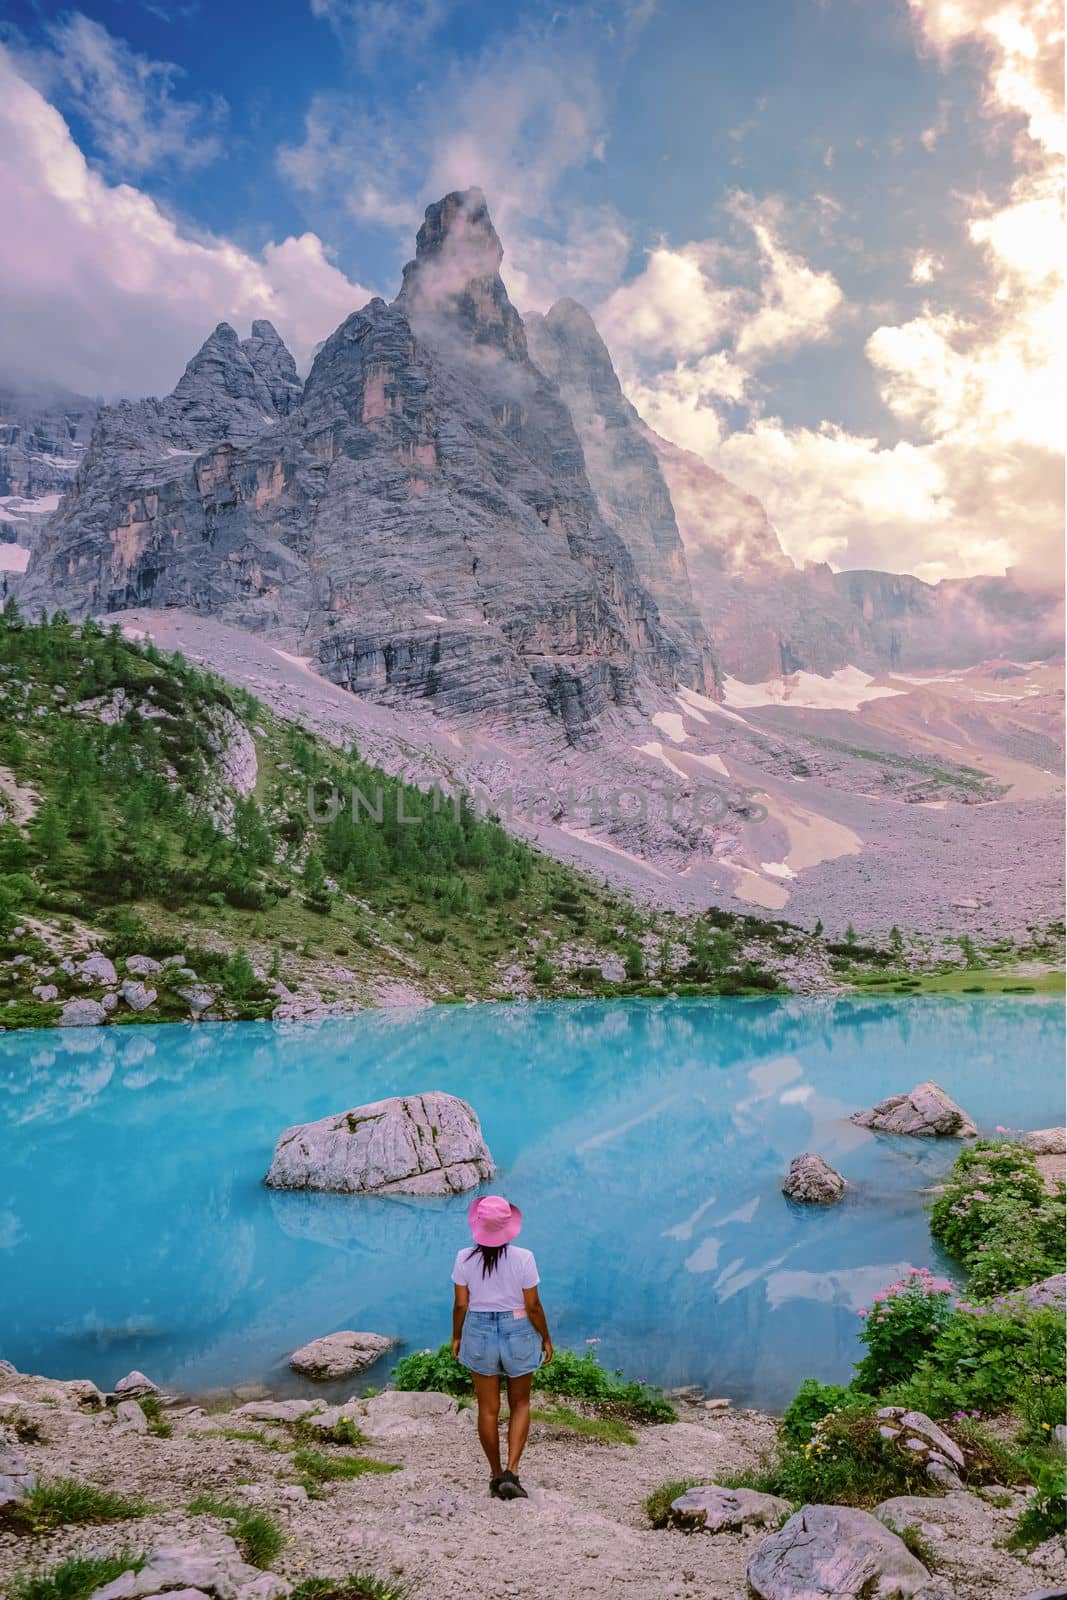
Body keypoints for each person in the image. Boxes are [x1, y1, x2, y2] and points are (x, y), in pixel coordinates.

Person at [451, 1194, 553, 1501]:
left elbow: (461, 1304)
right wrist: (545, 1337)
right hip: (518, 1329)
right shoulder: (524, 1258)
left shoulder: (463, 1259)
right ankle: (512, 1471)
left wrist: (457, 1336)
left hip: (479, 1331)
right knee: (520, 1403)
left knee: (487, 1409)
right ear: (508, 1227)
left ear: (478, 1226)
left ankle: (495, 1476)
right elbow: (532, 1305)